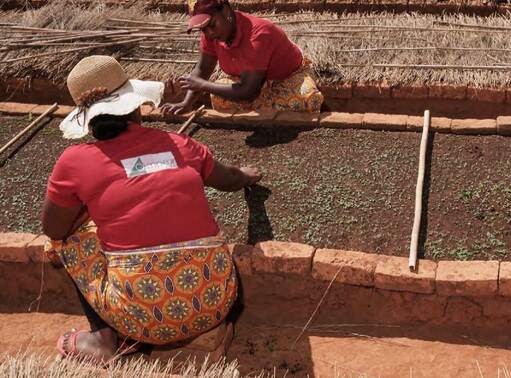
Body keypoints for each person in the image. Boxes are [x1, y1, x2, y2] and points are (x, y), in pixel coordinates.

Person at [41, 55, 262, 361]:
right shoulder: (180, 144)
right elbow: (228, 179)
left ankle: (105, 339)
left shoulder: (74, 162)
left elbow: (53, 229)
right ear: (133, 105)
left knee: (68, 240)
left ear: (89, 118)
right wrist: (247, 176)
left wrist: (91, 208)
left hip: (141, 319)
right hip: (216, 300)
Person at [161, 0, 323, 115]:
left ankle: (265, 104)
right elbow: (202, 70)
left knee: (309, 99)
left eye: (211, 25)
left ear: (225, 11)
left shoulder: (258, 33)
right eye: (203, 29)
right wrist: (186, 103)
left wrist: (203, 85)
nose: (209, 33)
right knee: (218, 97)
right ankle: (266, 105)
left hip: (287, 77)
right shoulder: (210, 35)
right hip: (249, 81)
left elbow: (247, 90)